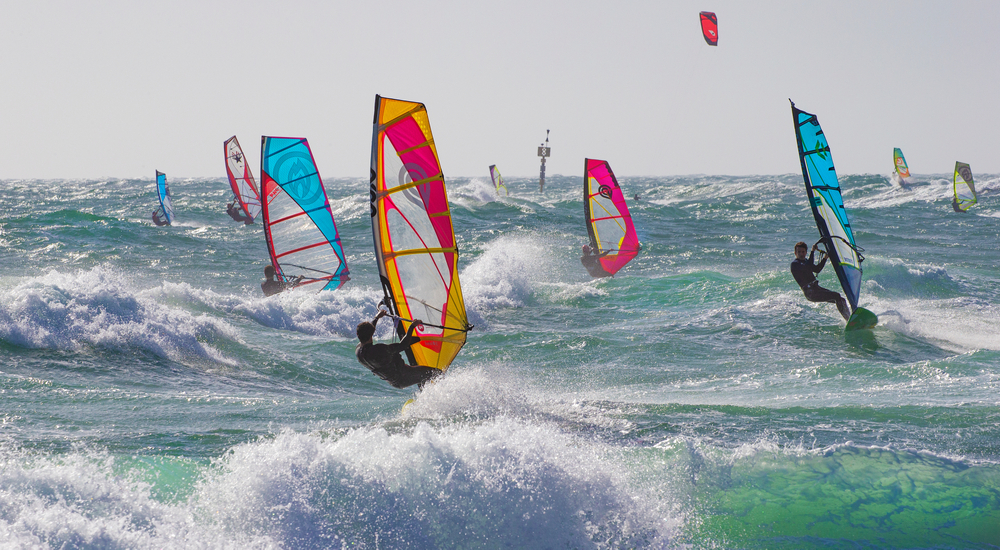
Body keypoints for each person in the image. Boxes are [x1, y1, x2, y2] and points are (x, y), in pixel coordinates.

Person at [356, 310, 441, 389]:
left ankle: (425, 395)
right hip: (404, 376)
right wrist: (412, 326)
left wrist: (377, 317)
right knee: (437, 372)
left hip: (393, 381)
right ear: (371, 334)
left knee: (424, 376)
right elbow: (403, 345)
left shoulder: (358, 351)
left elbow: (369, 331)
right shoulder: (378, 350)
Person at [790, 241, 851, 321]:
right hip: (810, 293)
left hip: (816, 289)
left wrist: (825, 258)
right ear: (795, 253)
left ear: (805, 252)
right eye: (799, 252)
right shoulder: (795, 264)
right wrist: (812, 251)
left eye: (803, 252)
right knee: (836, 296)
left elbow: (817, 269)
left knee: (841, 299)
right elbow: (808, 266)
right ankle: (848, 320)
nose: (801, 254)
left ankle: (851, 318)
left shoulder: (806, 262)